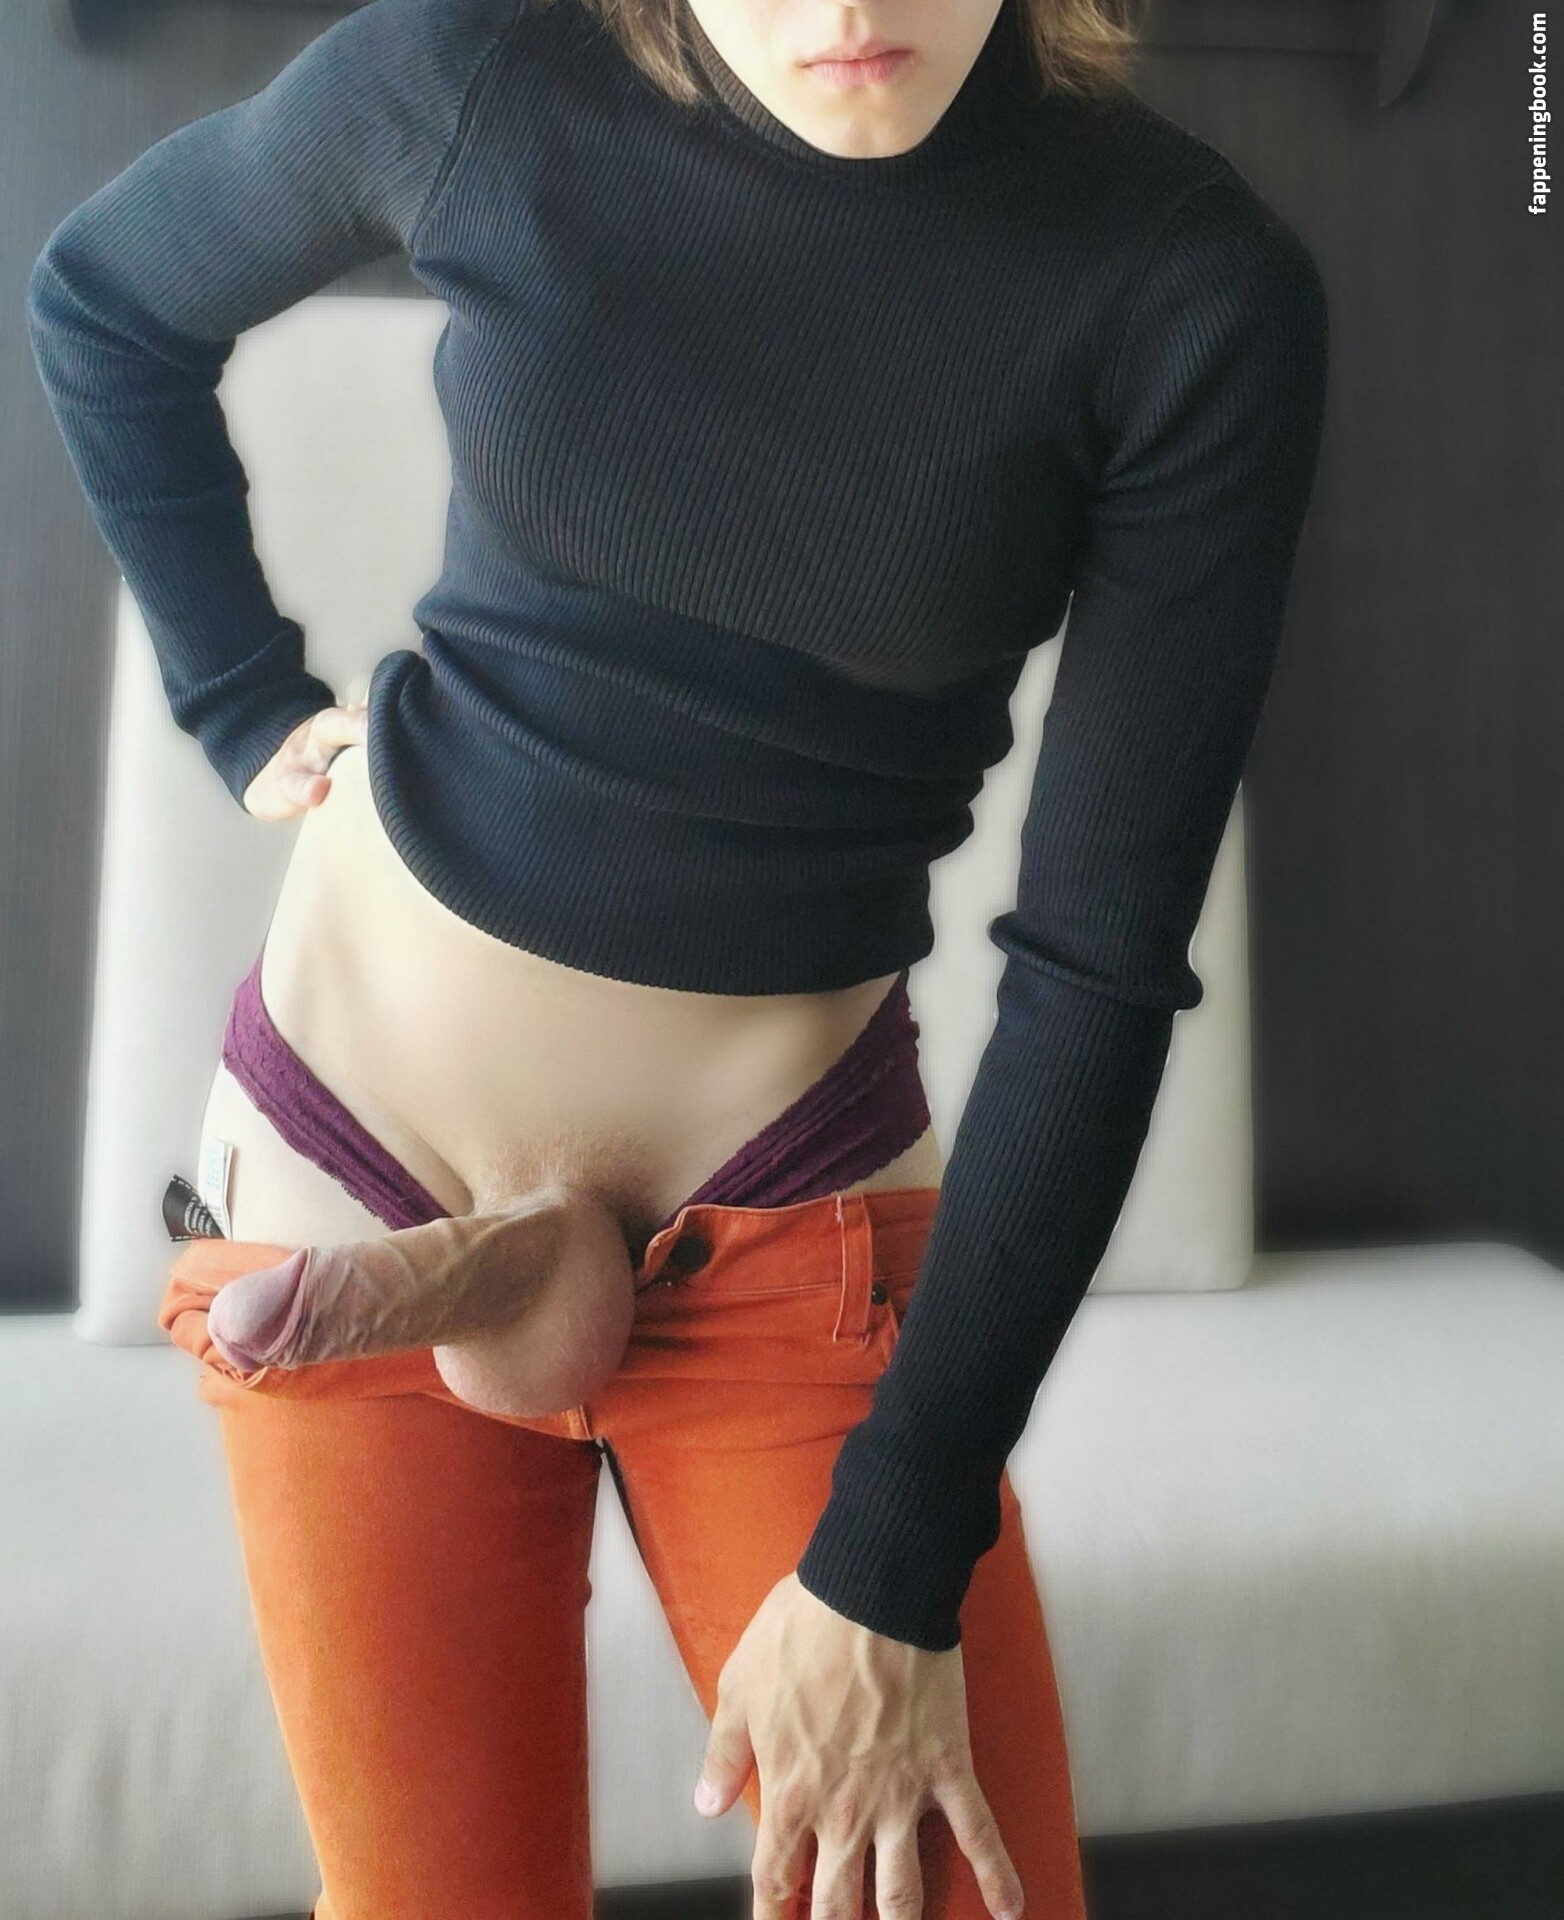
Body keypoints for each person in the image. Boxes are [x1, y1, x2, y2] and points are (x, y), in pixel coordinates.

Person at [25, 0, 1329, 1912]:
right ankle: (501, 1269)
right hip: (350, 1151)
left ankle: (567, 1286)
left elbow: (1100, 968)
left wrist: (894, 1562)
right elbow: (105, 300)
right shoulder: (479, 81)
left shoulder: (1188, 292)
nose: (851, 13)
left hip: (779, 1198)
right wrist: (241, 701)